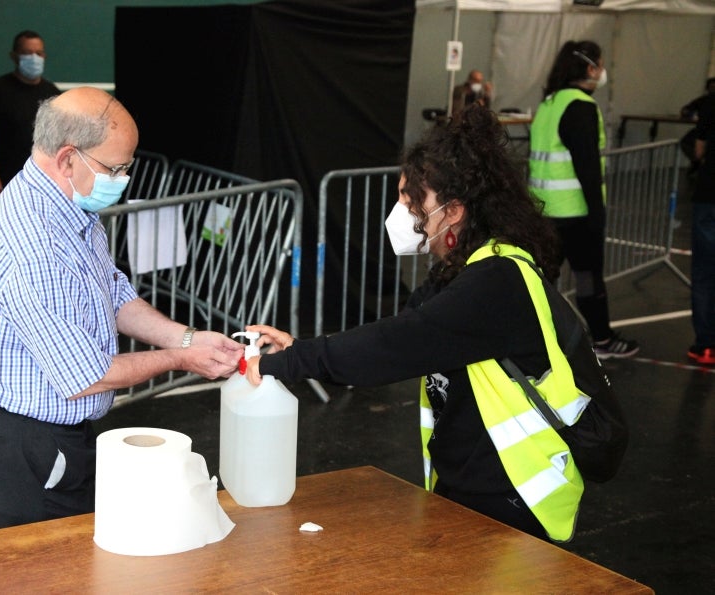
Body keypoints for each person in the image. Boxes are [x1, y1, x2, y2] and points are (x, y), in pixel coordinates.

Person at [245, 106, 586, 542]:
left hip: (518, 498)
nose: (400, 213)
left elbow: (394, 346)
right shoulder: (458, 270)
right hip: (470, 484)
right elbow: (396, 338)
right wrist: (300, 348)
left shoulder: (496, 280)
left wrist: (294, 361)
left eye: (411, 202)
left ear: (454, 210)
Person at [0, 87, 243, 528]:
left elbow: (112, 289)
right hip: (20, 439)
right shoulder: (34, 245)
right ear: (68, 158)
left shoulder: (67, 207)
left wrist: (186, 337)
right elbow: (86, 375)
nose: (124, 179)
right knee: (56, 569)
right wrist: (184, 358)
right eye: (115, 167)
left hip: (51, 428)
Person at [528, 40, 638, 359]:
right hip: (574, 213)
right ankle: (602, 339)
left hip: (543, 210)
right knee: (588, 278)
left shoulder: (549, 105)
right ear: (590, 68)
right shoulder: (581, 107)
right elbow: (587, 167)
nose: (602, 72)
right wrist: (597, 214)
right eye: (600, 65)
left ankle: (530, 338)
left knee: (543, 278)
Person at [0, 30, 61, 209]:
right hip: (3, 184)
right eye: (27, 53)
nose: (34, 58)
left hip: (40, 185)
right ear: (14, 56)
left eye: (39, 53)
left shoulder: (52, 93)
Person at [688, 83, 715, 365]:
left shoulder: (710, 103)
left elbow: (698, 149)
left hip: (709, 195)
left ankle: (706, 345)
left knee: (706, 272)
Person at [679, 77, 715, 176]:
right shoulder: (703, 100)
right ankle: (697, 162)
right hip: (703, 130)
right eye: (711, 87)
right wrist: (688, 113)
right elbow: (686, 109)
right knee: (686, 142)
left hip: (708, 132)